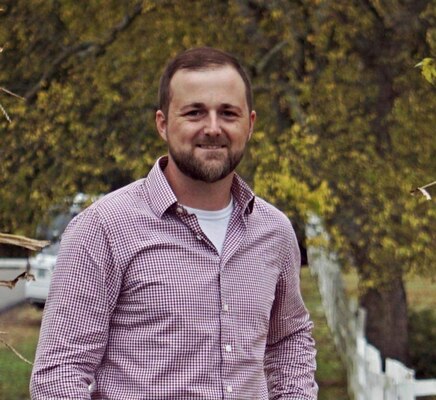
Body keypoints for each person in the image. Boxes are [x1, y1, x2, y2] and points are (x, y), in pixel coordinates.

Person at [30, 47, 318, 399]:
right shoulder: (103, 229)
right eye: (195, 113)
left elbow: (289, 339)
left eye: (228, 113)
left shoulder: (274, 232)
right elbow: (58, 374)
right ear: (163, 124)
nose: (213, 128)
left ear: (250, 124)